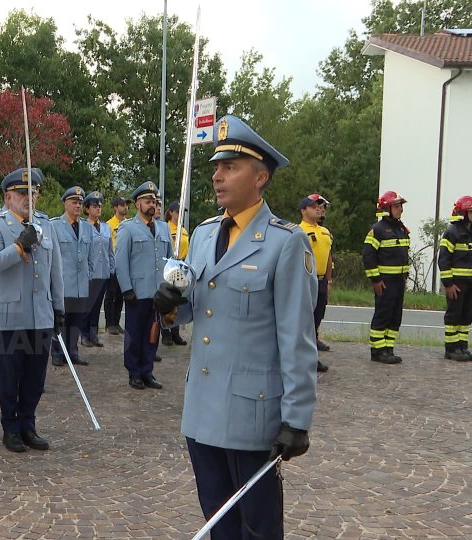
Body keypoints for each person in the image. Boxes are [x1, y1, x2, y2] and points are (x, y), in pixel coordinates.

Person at [154, 114, 318, 540]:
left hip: (253, 416)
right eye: (216, 167)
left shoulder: (286, 243)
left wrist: (296, 419)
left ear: (260, 177)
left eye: (231, 167)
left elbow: (297, 339)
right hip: (202, 411)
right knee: (217, 521)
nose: (218, 176)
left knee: (259, 528)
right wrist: (170, 307)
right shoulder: (206, 234)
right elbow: (196, 311)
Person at [0, 167, 63, 453]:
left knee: (35, 377)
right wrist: (18, 246)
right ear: (7, 198)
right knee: (10, 375)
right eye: (22, 193)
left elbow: (56, 270)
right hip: (11, 315)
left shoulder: (45, 224)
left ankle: (28, 424)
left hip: (41, 314)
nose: (29, 198)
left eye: (33, 192)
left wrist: (59, 307)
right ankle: (10, 427)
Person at [115, 181, 172, 390]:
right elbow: (120, 262)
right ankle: (134, 372)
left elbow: (170, 260)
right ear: (138, 204)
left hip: (158, 292)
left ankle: (147, 371)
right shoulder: (128, 228)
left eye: (155, 201)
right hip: (137, 292)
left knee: (152, 333)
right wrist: (126, 289)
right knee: (135, 333)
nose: (152, 204)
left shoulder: (163, 228)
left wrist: (170, 287)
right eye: (148, 201)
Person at [363, 191, 410, 364]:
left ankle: (388, 349)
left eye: (400, 206)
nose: (400, 210)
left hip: (398, 281)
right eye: (397, 206)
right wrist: (375, 279)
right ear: (386, 208)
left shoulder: (400, 229)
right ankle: (377, 351)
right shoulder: (378, 230)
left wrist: (404, 275)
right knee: (383, 315)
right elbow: (368, 256)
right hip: (385, 282)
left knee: (395, 316)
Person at [50, 186, 93, 366]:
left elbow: (89, 256)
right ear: (65, 204)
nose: (78, 206)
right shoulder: (54, 226)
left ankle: (72, 351)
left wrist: (88, 274)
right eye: (74, 202)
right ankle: (58, 353)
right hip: (63, 283)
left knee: (76, 320)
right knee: (61, 320)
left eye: (80, 203)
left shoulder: (87, 227)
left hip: (80, 283)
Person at [438, 196, 472, 361]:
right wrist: (448, 284)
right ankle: (451, 349)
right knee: (454, 316)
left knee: (467, 315)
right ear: (463, 212)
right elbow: (443, 260)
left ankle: (462, 348)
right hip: (457, 283)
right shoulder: (452, 232)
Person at [298, 193, 333, 372]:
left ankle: (312, 356)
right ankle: (305, 359)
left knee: (316, 319)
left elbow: (328, 257)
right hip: (305, 281)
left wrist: (328, 279)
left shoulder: (325, 232)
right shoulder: (298, 231)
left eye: (322, 206)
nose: (320, 208)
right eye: (315, 206)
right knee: (305, 321)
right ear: (303, 210)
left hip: (320, 281)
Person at [81, 191, 112, 348]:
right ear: (87, 209)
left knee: (97, 306)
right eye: (94, 206)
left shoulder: (106, 228)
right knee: (87, 306)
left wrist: (111, 269)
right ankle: (84, 334)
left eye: (99, 206)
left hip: (103, 272)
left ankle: (93, 334)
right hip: (90, 274)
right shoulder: (83, 227)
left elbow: (110, 251)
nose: (98, 208)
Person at [160, 201, 188, 347]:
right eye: (178, 212)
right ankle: (165, 333)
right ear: (171, 212)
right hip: (169, 266)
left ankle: (175, 332)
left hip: (182, 267)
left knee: (177, 302)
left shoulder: (183, 230)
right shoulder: (165, 228)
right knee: (167, 300)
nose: (180, 215)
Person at [103, 196, 129, 335]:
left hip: (124, 264)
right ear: (115, 207)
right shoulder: (109, 225)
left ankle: (117, 322)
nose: (125, 207)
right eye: (122, 205)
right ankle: (109, 323)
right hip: (113, 264)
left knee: (120, 295)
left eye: (126, 205)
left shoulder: (129, 224)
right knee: (110, 294)